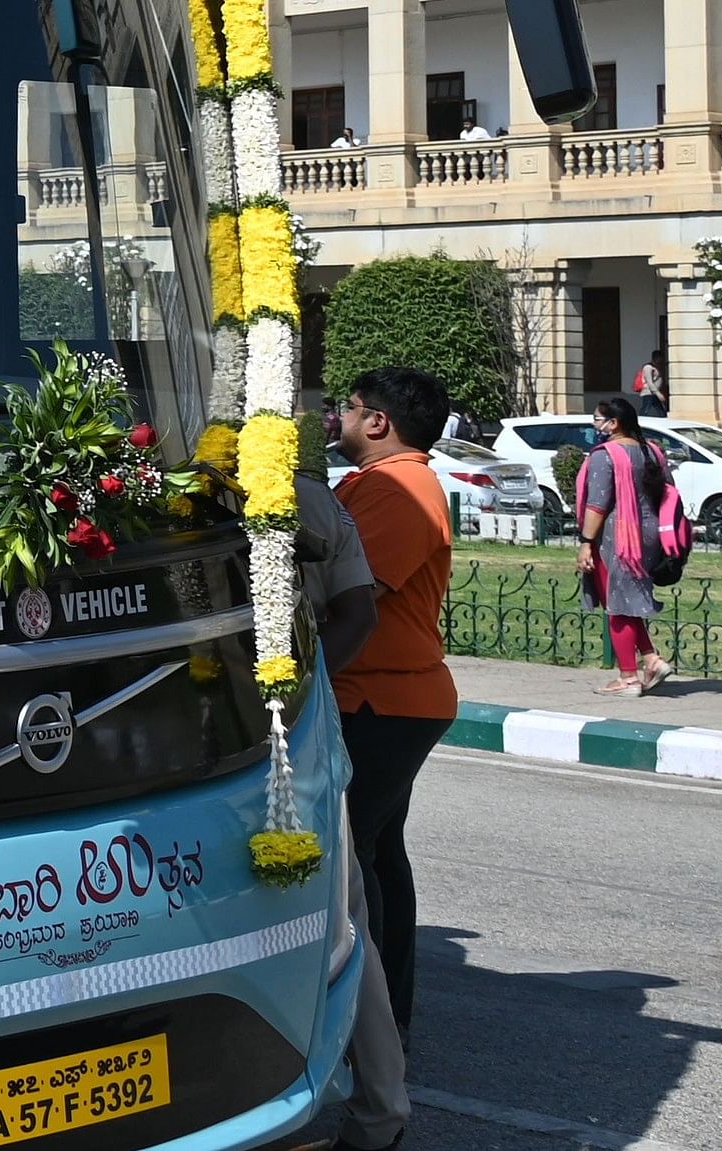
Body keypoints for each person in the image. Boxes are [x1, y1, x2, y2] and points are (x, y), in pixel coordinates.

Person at [334, 365, 460, 1051]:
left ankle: (376, 1024)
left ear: (378, 421)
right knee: (378, 854)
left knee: (353, 859)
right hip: (385, 693)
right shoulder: (383, 482)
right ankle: (392, 1019)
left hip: (383, 696)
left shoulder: (397, 486)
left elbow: (354, 594)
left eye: (348, 408)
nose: (340, 418)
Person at [290, 450, 401, 1150]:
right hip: (298, 734)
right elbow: (357, 615)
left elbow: (357, 614)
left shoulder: (186, 494)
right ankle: (379, 1108)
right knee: (342, 922)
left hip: (264, 736)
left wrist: (287, 687)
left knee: (342, 918)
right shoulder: (313, 496)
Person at [579, 396, 676, 695]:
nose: (596, 425)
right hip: (650, 535)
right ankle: (652, 660)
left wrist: (585, 542)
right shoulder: (653, 452)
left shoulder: (604, 455)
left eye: (597, 419)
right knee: (630, 600)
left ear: (613, 423)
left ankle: (628, 679)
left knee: (618, 607)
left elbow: (597, 505)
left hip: (618, 536)